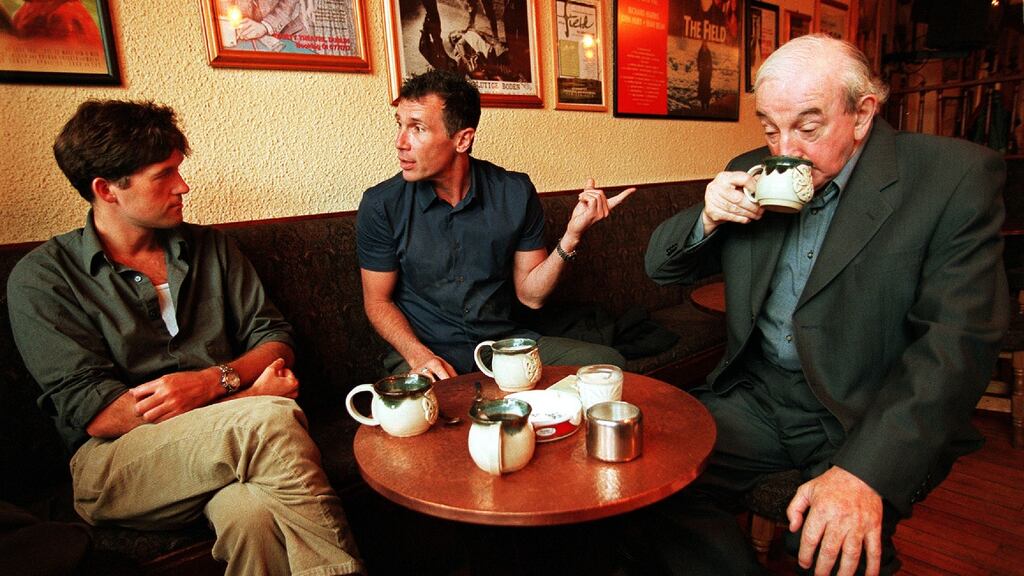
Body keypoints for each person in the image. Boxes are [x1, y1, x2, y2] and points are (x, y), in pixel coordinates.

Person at [641, 34, 1008, 575]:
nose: (785, 148)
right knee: (646, 481)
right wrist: (709, 216)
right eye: (770, 128)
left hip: (864, 410)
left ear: (861, 115)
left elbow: (957, 345)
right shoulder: (753, 171)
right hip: (758, 397)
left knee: (835, 551)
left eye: (808, 128)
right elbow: (660, 267)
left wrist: (864, 473)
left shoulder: (950, 177)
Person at [7, 100, 363, 576]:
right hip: (114, 467)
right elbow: (101, 414)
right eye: (164, 174)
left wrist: (214, 382)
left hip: (222, 447)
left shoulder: (212, 248)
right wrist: (248, 396)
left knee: (251, 516)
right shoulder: (44, 279)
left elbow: (274, 338)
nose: (183, 186)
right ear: (106, 189)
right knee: (268, 418)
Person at [357, 69, 633, 380]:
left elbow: (531, 296)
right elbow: (377, 302)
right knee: (431, 412)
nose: (400, 142)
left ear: (463, 139)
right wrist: (419, 356)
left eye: (417, 128)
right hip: (425, 351)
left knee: (607, 366)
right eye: (400, 126)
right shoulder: (381, 204)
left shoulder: (513, 192)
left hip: (503, 346)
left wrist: (571, 236)